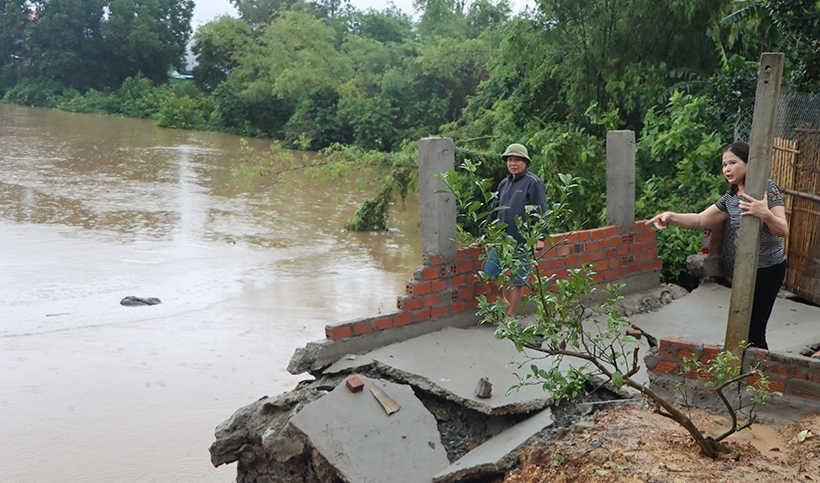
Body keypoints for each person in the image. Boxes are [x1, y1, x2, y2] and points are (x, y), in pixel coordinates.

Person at [645, 141, 789, 349]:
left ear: (749, 163)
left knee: (754, 331)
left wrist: (765, 214)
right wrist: (670, 216)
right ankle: (745, 366)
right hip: (745, 269)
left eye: (733, 162)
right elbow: (700, 219)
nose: (727, 169)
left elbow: (783, 230)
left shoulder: (766, 189)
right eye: (724, 165)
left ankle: (757, 370)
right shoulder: (731, 198)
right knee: (741, 328)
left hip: (769, 268)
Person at [479, 143, 549, 317]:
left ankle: (510, 316)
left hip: (522, 242)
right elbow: (494, 211)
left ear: (525, 162)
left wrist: (540, 238)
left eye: (517, 160)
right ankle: (502, 299)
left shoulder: (533, 183)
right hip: (502, 241)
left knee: (518, 280)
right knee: (489, 273)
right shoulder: (504, 184)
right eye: (510, 160)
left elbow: (540, 210)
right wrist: (484, 235)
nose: (513, 163)